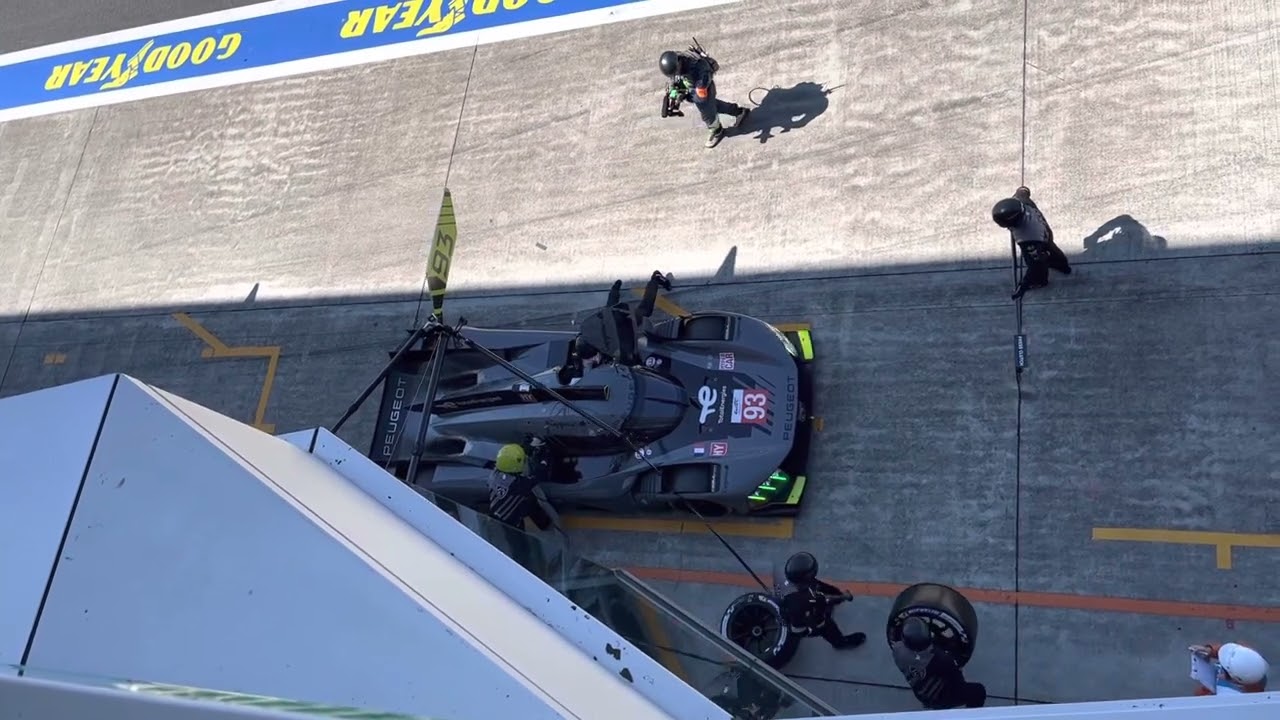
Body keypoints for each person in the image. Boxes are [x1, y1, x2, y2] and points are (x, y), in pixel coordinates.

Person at [991, 186, 1072, 300]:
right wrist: (1022, 190)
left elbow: (1035, 265)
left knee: (1040, 263)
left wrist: (1024, 284)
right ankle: (1063, 266)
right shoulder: (1022, 201)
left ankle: (1041, 281)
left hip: (1038, 241)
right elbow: (1023, 191)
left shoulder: (1027, 238)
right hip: (1045, 231)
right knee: (1053, 249)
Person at [659, 48, 750, 148]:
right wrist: (674, 90)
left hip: (704, 90)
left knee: (707, 114)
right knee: (713, 105)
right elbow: (675, 78)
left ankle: (717, 131)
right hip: (692, 86)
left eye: (675, 72)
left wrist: (685, 95)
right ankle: (738, 111)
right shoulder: (676, 63)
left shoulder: (696, 66)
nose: (675, 75)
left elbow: (701, 95)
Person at [776, 551, 867, 650]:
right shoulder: (811, 598)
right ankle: (840, 643)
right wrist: (845, 596)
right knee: (827, 626)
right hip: (805, 624)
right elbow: (827, 599)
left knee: (822, 589)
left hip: (794, 612)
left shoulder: (786, 587)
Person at [891, 616, 987, 709]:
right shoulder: (943, 660)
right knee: (978, 691)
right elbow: (958, 683)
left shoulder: (897, 650)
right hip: (940, 698)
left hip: (920, 693)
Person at [1189, 641, 1269, 695]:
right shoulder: (1250, 660)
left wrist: (1206, 689)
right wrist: (1210, 651)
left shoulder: (1226, 696)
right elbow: (1231, 652)